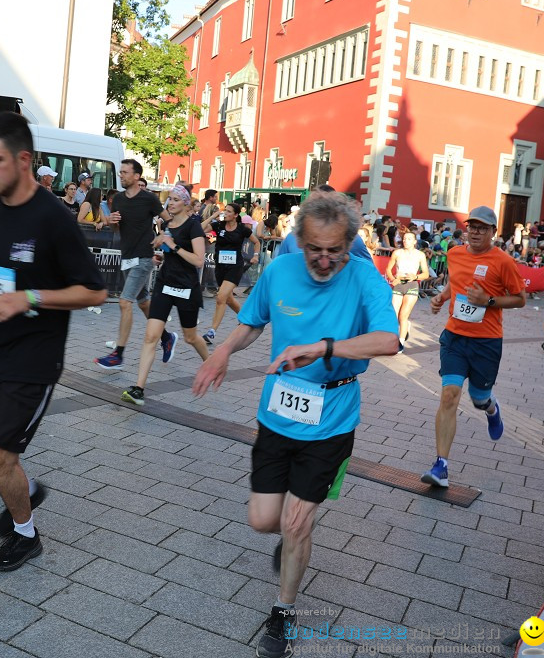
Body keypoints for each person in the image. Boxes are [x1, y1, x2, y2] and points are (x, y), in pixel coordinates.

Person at [193, 192, 400, 658]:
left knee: (297, 521)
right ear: (298, 241)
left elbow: (389, 341)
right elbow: (251, 323)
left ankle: (284, 611)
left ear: (350, 244)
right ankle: (291, 545)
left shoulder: (366, 279)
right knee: (263, 520)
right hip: (278, 414)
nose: (324, 260)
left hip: (331, 420)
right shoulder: (280, 271)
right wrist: (222, 353)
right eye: (314, 249)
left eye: (335, 250)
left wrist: (326, 348)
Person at [0, 112, 106, 571]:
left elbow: (95, 291)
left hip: (32, 358)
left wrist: (29, 297)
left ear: (24, 160)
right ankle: (26, 489)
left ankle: (25, 533)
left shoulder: (54, 218)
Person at [422, 206, 525, 488]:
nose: (476, 232)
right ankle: (441, 465)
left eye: (482, 228)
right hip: (455, 337)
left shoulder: (503, 262)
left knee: (479, 399)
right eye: (472, 227)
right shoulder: (455, 254)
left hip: (486, 343)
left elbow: (520, 298)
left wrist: (488, 301)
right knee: (449, 395)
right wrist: (442, 298)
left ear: (493, 232)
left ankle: (491, 408)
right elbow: (455, 284)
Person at [120, 185, 209, 405]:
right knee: (151, 336)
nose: (170, 202)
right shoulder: (167, 224)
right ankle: (138, 388)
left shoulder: (193, 227)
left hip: (186, 287)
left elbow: (199, 260)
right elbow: (170, 251)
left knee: (190, 337)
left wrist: (174, 246)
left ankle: (212, 363)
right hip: (165, 284)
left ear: (186, 203)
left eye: (176, 199)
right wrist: (159, 255)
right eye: (169, 199)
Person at [94, 159, 169, 370]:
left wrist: (164, 237)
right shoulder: (117, 199)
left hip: (144, 257)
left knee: (125, 302)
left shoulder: (149, 199)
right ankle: (166, 337)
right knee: (143, 302)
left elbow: (169, 220)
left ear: (136, 176)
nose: (121, 175)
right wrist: (113, 222)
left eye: (125, 172)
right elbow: (117, 230)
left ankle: (118, 354)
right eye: (121, 172)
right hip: (126, 255)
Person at [200, 202, 260, 345]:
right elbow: (200, 228)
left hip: (235, 267)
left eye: (228, 211)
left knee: (221, 297)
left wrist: (256, 255)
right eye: (224, 211)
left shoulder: (242, 229)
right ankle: (247, 319)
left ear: (235, 215)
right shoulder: (218, 225)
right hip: (220, 266)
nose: (225, 213)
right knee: (228, 298)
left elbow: (256, 242)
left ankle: (211, 331)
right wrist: (214, 216)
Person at [385, 231, 430, 346]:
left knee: (403, 315)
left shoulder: (420, 255)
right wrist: (393, 279)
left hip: (412, 285)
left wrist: (415, 276)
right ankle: (393, 338)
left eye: (409, 239)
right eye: (404, 238)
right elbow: (388, 269)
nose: (406, 241)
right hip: (399, 285)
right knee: (393, 315)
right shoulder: (397, 253)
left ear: (415, 241)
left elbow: (425, 274)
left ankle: (400, 342)